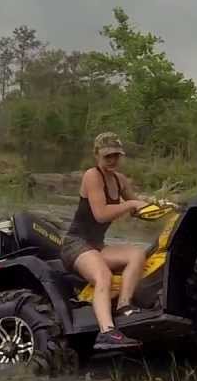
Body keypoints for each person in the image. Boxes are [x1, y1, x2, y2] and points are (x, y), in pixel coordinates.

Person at [60, 132, 149, 351]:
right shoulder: (92, 175)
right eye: (107, 155)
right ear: (96, 154)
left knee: (137, 254)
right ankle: (107, 332)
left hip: (97, 246)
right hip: (76, 244)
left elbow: (137, 204)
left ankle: (124, 305)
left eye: (116, 155)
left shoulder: (120, 179)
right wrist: (131, 206)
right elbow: (101, 214)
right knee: (103, 276)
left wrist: (159, 206)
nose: (112, 160)